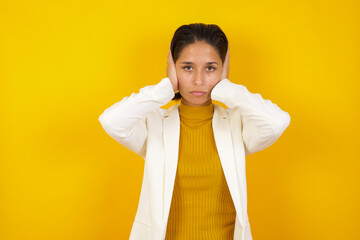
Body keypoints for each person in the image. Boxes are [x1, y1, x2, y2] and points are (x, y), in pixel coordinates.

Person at [98, 23, 291, 240]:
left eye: (210, 68)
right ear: (173, 67)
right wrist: (167, 86)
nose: (198, 80)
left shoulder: (236, 124)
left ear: (223, 69)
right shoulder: (155, 125)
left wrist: (226, 87)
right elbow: (111, 121)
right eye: (187, 67)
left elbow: (277, 122)